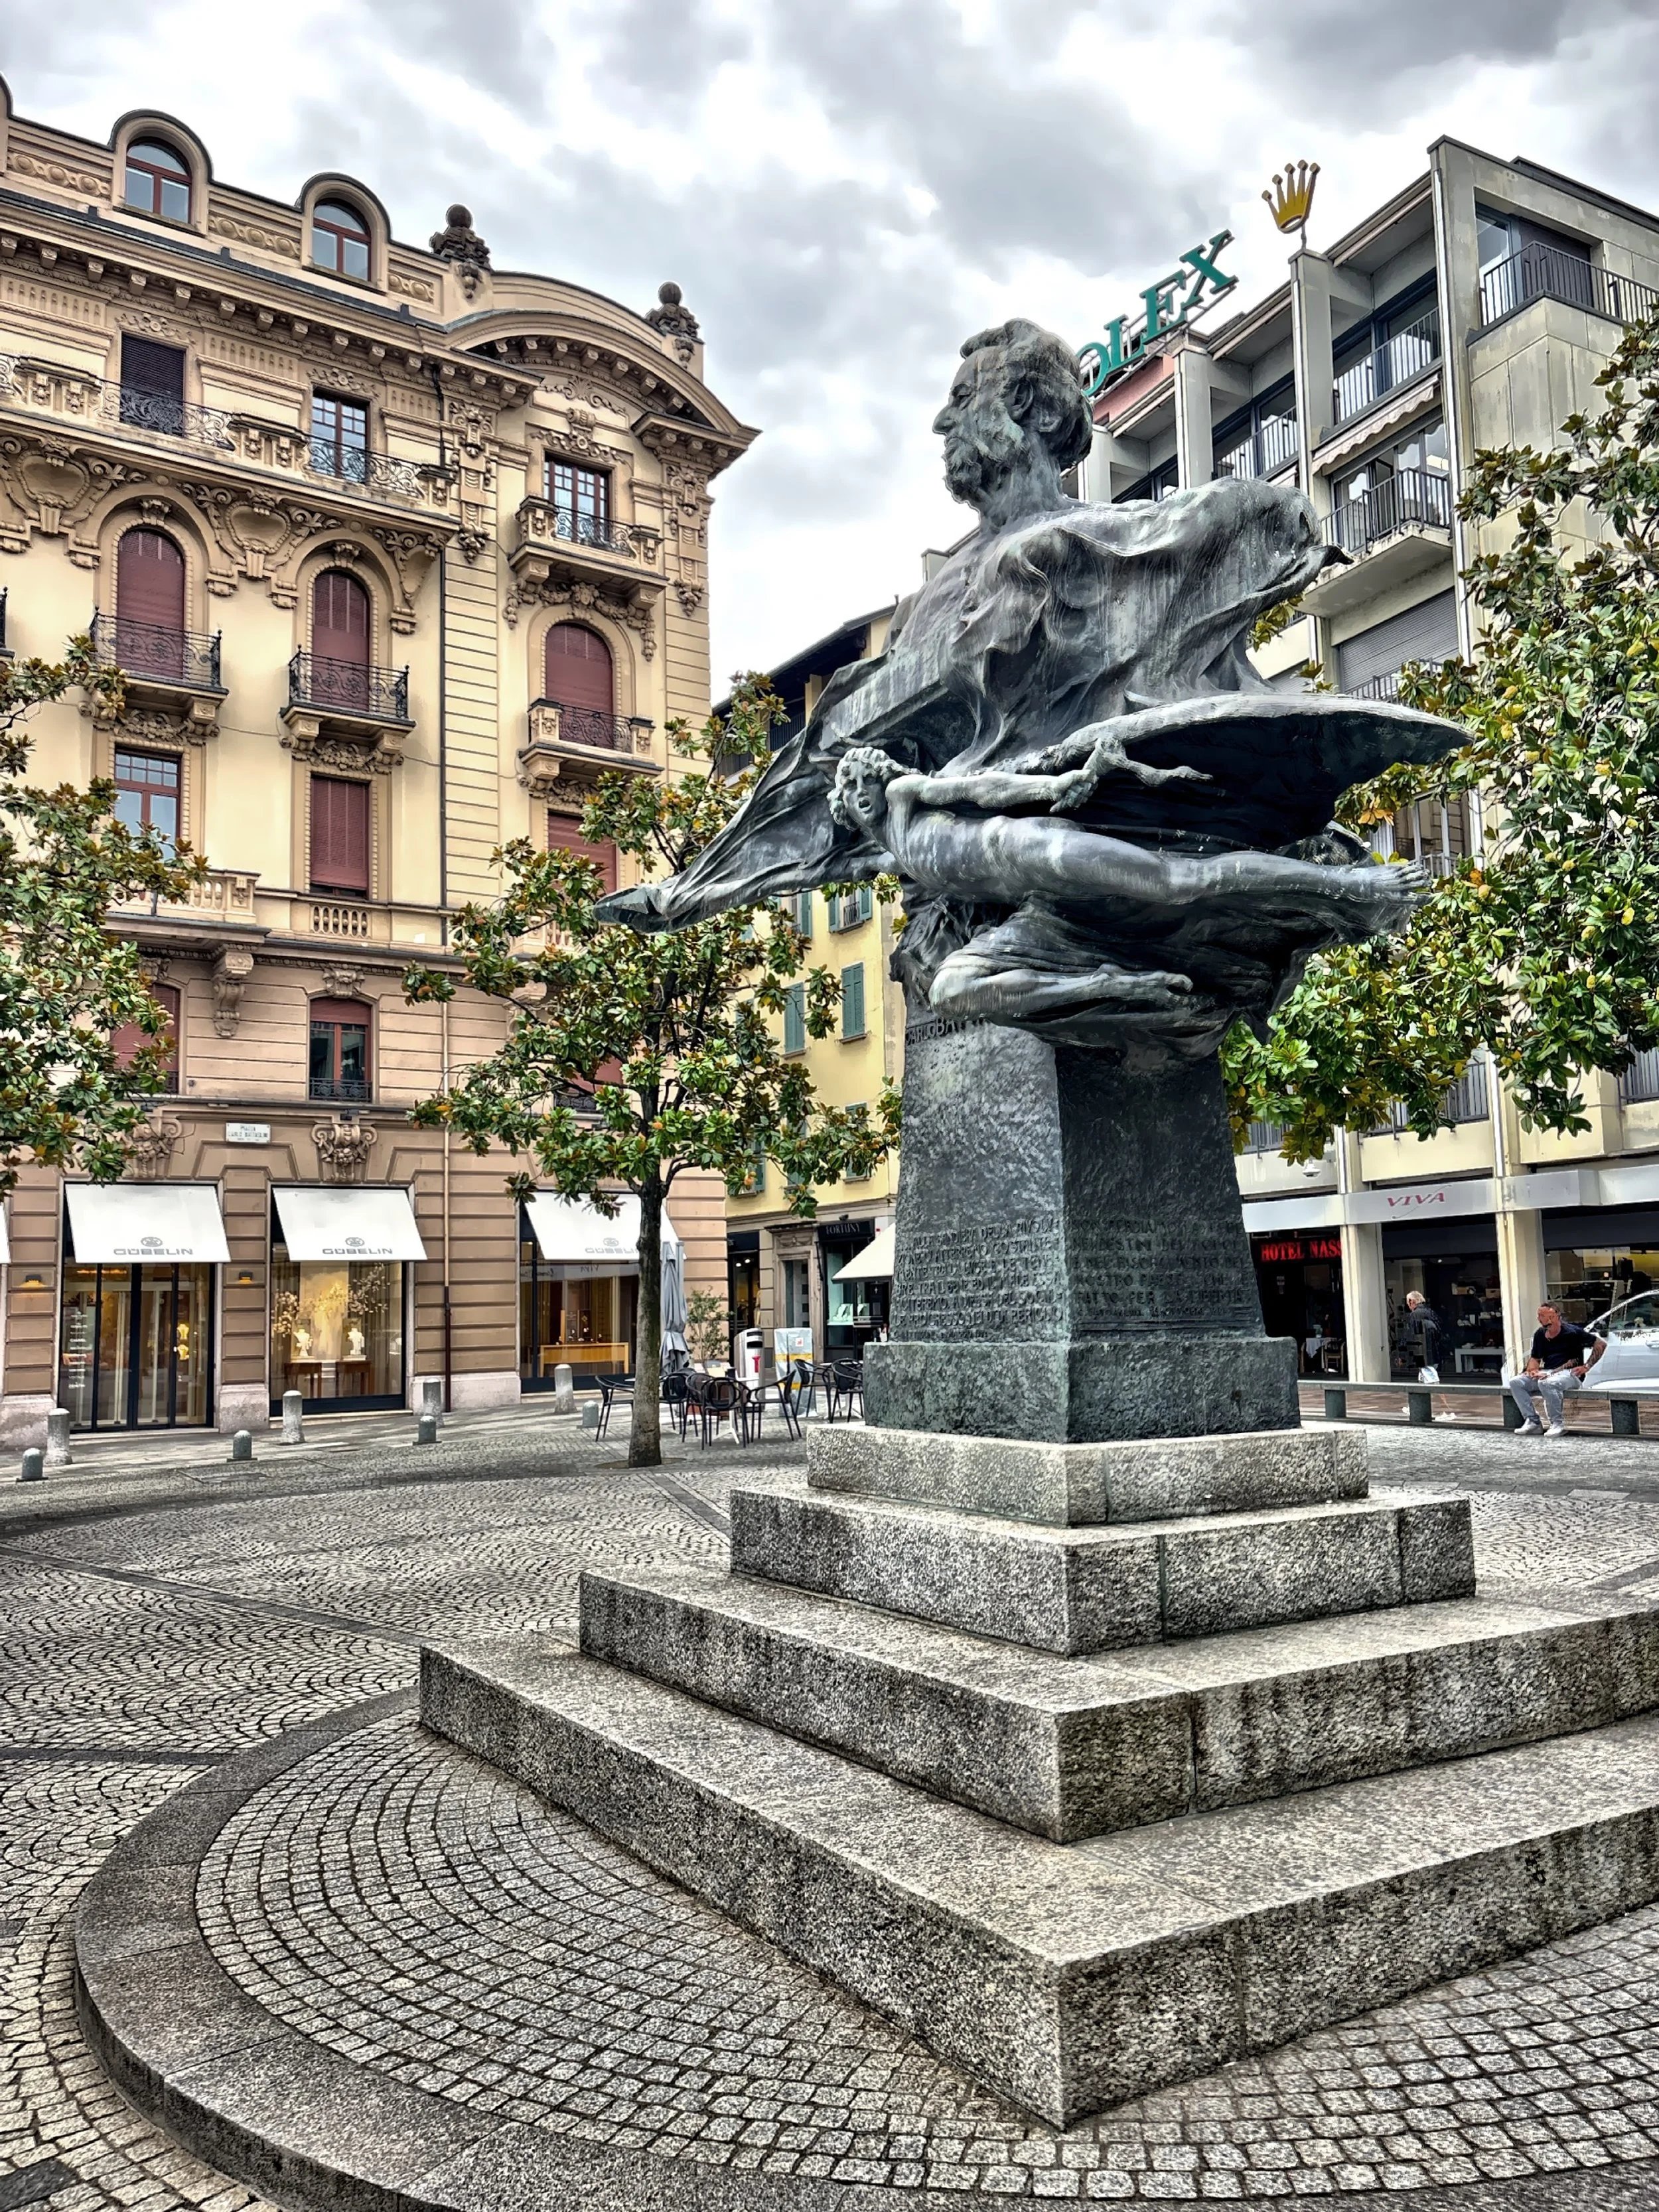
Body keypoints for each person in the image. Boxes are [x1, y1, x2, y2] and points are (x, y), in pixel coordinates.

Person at [1508, 1302, 1606, 1436]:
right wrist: (1532, 1370)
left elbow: (1601, 1344)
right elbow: (1535, 1358)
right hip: (1547, 1372)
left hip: (1570, 1374)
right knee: (1516, 1382)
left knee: (1547, 1383)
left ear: (1554, 1316)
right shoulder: (1540, 1334)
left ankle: (1557, 1423)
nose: (1539, 1318)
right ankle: (1532, 1421)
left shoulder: (1573, 1332)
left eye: (1542, 1315)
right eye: (1538, 1315)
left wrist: (1587, 1367)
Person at [1403, 1290, 1446, 1383]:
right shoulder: (1431, 1312)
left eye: (1408, 1303)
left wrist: (1406, 1352)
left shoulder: (1414, 1315)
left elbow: (1412, 1334)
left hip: (1422, 1350)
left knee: (1429, 1375)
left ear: (1411, 1302)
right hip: (1434, 1349)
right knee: (1426, 1373)